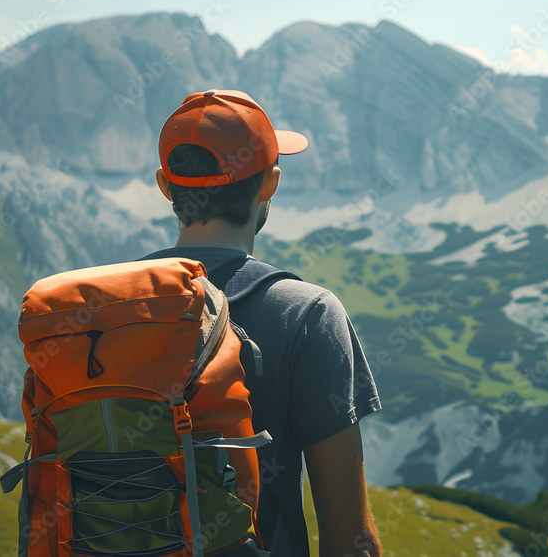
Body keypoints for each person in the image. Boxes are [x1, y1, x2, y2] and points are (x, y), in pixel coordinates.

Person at [135, 89, 383, 557]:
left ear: (165, 186)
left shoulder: (108, 308)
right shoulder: (308, 314)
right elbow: (353, 543)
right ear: (269, 184)